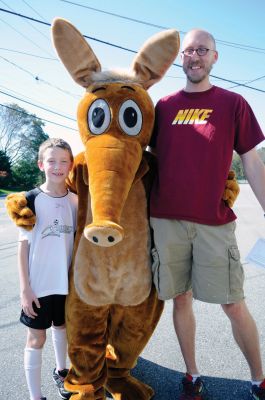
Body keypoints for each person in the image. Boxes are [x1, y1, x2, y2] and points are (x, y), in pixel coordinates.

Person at [149, 29, 265, 400]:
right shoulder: (163, 106)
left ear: (215, 57)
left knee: (233, 302)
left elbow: (252, 162)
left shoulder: (233, 104)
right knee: (180, 299)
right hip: (166, 221)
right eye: (188, 51)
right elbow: (145, 162)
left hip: (214, 223)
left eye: (202, 50)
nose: (194, 56)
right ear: (180, 59)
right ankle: (192, 375)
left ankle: (259, 379)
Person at [17, 138, 78, 400]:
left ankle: (61, 371)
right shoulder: (29, 200)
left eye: (64, 161)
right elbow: (23, 247)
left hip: (65, 284)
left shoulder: (76, 201)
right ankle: (35, 396)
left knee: (62, 329)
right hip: (38, 286)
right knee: (36, 340)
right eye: (52, 161)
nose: (58, 166)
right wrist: (25, 289)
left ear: (71, 165)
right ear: (41, 164)